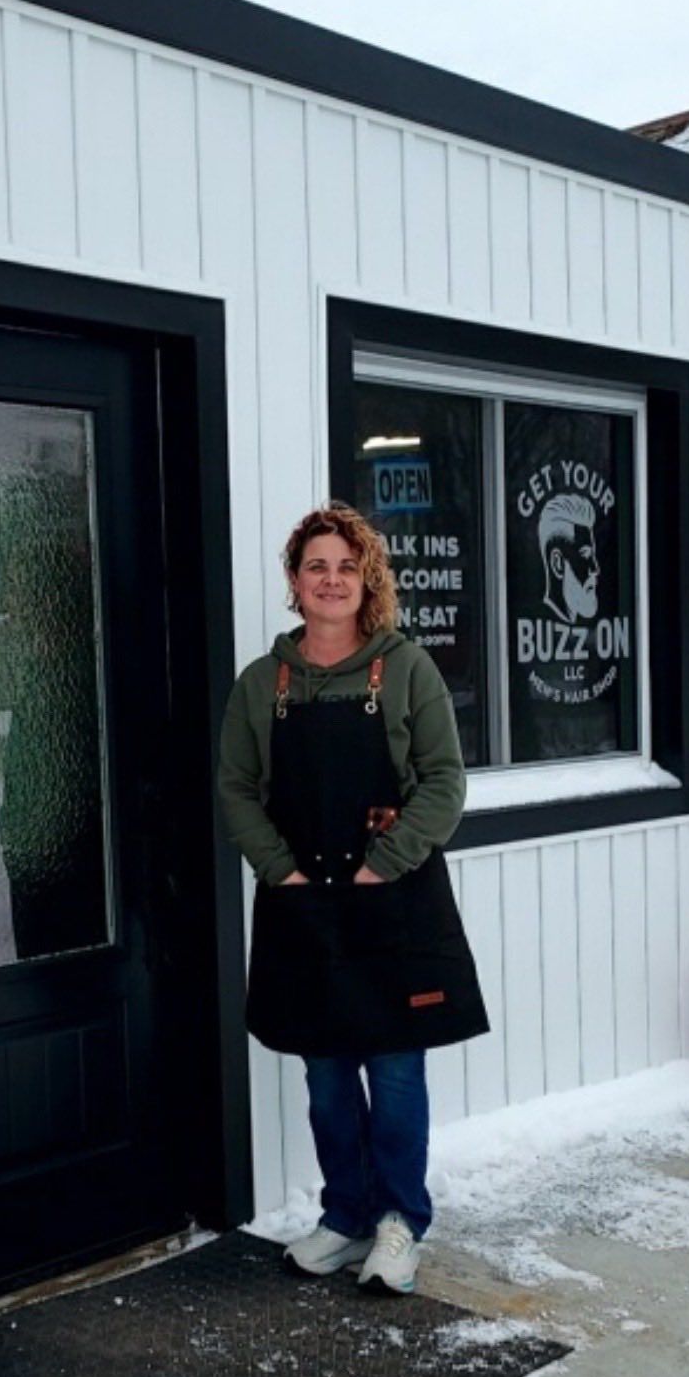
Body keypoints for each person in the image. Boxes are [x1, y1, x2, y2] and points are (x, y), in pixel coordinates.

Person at [218, 503, 488, 1294]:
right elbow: (236, 789)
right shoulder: (259, 685)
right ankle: (345, 1215)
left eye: (345, 567)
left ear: (365, 580)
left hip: (392, 899)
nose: (330, 580)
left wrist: (385, 862)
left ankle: (401, 1221)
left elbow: (445, 781)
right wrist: (281, 868)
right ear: (295, 583)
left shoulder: (405, 668)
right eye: (315, 567)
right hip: (302, 904)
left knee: (396, 1072)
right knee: (327, 1076)